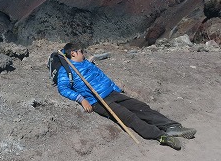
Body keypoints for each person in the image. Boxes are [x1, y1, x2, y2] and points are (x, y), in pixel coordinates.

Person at [57, 42, 196, 150]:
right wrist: (81, 99)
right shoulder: (67, 70)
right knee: (129, 117)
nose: (84, 54)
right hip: (98, 101)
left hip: (112, 93)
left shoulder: (86, 63)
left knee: (142, 107)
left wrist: (116, 89)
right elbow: (63, 88)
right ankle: (161, 136)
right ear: (73, 53)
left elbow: (102, 76)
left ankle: (172, 127)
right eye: (81, 52)